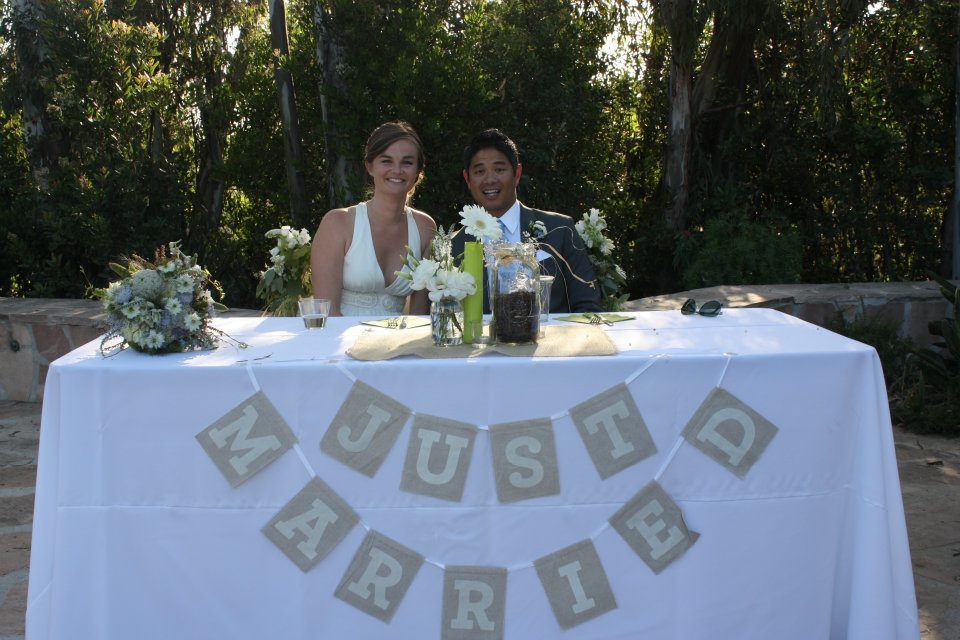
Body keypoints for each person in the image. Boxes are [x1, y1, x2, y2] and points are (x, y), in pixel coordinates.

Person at [452, 128, 602, 313]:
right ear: (467, 178)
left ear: (517, 173)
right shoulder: (454, 247)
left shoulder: (561, 229)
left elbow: (588, 305)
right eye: (480, 171)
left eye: (499, 169)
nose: (490, 179)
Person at [311, 121, 437, 316]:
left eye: (407, 162)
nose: (397, 170)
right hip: (339, 341)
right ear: (369, 166)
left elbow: (419, 314)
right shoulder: (338, 223)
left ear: (418, 172)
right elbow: (326, 312)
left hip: (397, 343)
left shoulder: (425, 227)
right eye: (386, 161)